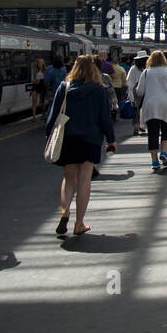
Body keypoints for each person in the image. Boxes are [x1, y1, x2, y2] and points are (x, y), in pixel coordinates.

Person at [47, 55, 117, 236]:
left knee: (69, 178)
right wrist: (111, 139)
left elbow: (54, 114)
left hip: (68, 138)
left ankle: (65, 211)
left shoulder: (64, 87)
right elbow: (104, 117)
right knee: (85, 179)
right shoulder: (99, 89)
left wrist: (50, 135)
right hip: (91, 139)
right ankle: (79, 223)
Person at [134, 50, 167, 173]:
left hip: (150, 105)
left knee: (153, 133)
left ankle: (154, 160)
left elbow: (140, 91)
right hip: (166, 104)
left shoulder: (146, 72)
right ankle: (164, 152)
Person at [125, 50, 148, 136]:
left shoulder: (133, 68)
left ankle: (136, 127)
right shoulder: (147, 68)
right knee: (145, 109)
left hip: (135, 91)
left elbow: (129, 81)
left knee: (136, 109)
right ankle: (143, 125)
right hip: (146, 90)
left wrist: (130, 92)